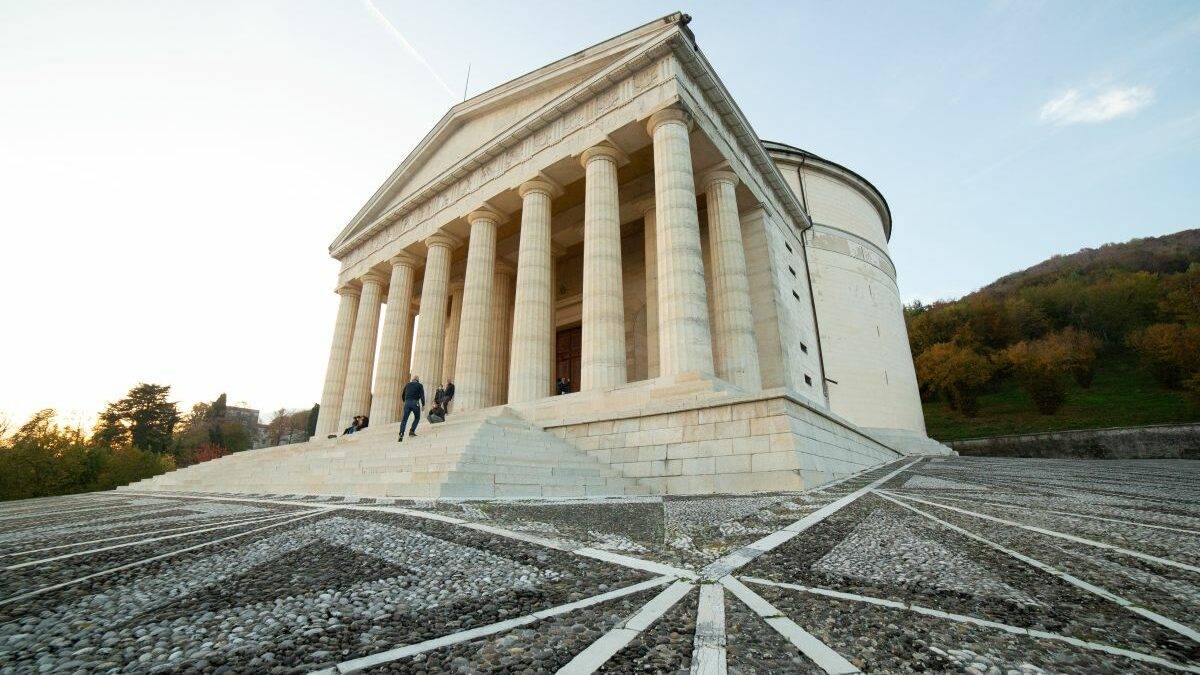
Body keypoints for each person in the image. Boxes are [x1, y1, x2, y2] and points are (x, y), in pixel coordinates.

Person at [398, 376, 425, 442]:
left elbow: (403, 395)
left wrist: (405, 401)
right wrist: (423, 404)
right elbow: (422, 395)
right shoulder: (419, 385)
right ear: (417, 380)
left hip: (407, 403)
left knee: (404, 420)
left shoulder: (407, 385)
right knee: (417, 417)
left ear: (412, 380)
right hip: (415, 402)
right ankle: (412, 431)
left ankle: (401, 434)